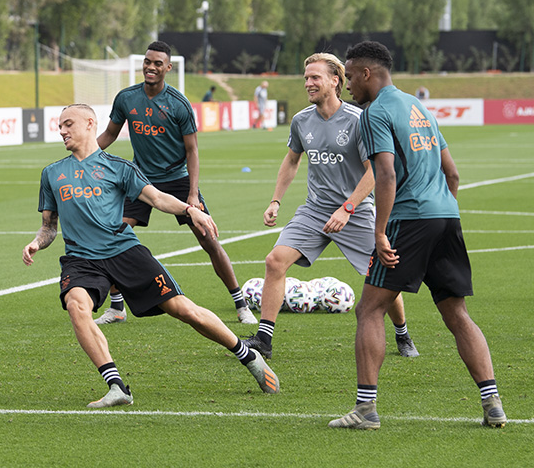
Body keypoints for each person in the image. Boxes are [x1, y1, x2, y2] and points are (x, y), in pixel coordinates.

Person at [23, 104, 279, 407]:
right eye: (60, 126)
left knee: (183, 309)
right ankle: (117, 387)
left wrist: (191, 210)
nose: (62, 131)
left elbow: (156, 198)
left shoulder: (119, 168)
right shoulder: (52, 174)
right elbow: (49, 227)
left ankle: (246, 355)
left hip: (124, 252)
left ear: (90, 123)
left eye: (68, 124)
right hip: (81, 260)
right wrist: (37, 242)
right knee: (76, 306)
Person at [329, 41, 505, 430]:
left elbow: (385, 174)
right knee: (456, 313)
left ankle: (366, 409)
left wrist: (379, 232)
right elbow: (452, 173)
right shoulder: (419, 107)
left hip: (409, 220)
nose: (346, 84)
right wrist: (443, 211)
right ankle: (492, 402)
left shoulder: (374, 113)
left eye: (349, 75)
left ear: (367, 73)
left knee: (369, 309)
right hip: (446, 216)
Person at [242, 53, 419, 361]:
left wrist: (347, 208)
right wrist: (275, 200)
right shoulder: (301, 120)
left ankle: (402, 333)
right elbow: (292, 160)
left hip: (356, 212)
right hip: (314, 211)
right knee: (275, 261)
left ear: (335, 81)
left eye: (315, 78)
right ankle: (264, 339)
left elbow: (373, 172)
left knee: (381, 274)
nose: (308, 83)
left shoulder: (358, 120)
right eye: (306, 78)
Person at [96, 41, 257, 325]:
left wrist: (193, 195)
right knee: (113, 235)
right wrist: (84, 156)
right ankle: (117, 307)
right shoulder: (126, 98)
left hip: (177, 179)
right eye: (148, 62)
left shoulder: (179, 104)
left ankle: (241, 304)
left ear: (168, 68)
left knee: (208, 239)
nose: (151, 67)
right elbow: (110, 133)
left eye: (158, 63)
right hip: (140, 179)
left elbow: (192, 151)